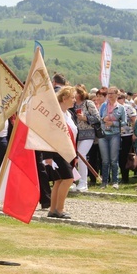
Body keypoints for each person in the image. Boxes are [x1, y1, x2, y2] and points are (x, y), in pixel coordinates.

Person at [44, 86, 78, 218]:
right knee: (68, 179)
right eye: (73, 97)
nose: (75, 100)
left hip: (69, 151)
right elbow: (49, 134)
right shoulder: (55, 113)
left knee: (59, 180)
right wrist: (48, 156)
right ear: (64, 98)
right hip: (57, 151)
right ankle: (60, 209)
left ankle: (53, 209)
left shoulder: (70, 114)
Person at [98, 86, 126, 189]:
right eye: (108, 93)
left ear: (117, 95)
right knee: (105, 160)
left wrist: (113, 123)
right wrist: (103, 120)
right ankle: (104, 181)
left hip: (115, 134)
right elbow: (99, 118)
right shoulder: (103, 106)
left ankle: (115, 181)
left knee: (114, 159)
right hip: (103, 134)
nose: (109, 95)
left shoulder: (121, 108)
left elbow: (124, 122)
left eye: (111, 93)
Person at [73, 86, 100, 192]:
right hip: (77, 134)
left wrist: (85, 118)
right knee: (76, 157)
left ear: (79, 94)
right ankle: (76, 181)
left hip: (88, 133)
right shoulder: (73, 104)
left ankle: (84, 183)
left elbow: (97, 118)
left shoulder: (88, 103)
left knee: (82, 155)